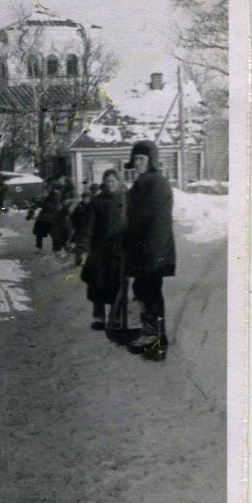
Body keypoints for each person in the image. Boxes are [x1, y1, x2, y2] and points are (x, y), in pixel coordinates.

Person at [123, 140, 176, 361]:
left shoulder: (157, 184)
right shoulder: (143, 182)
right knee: (144, 291)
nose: (137, 163)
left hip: (153, 252)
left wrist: (151, 255)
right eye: (135, 159)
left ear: (151, 160)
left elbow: (158, 222)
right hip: (143, 251)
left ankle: (155, 342)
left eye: (142, 159)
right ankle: (151, 335)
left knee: (150, 293)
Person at [79, 170, 126, 330]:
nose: (110, 183)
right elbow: (88, 225)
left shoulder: (126, 200)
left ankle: (116, 316)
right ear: (104, 182)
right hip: (99, 250)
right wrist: (85, 245)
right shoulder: (96, 201)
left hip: (119, 249)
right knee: (97, 283)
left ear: (118, 181)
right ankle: (98, 317)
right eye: (107, 180)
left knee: (118, 284)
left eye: (113, 180)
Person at [70, 189, 94, 267]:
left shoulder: (90, 206)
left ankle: (83, 261)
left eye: (89, 198)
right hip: (81, 229)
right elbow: (74, 217)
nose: (87, 199)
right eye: (86, 198)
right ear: (83, 198)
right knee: (80, 246)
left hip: (85, 229)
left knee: (84, 246)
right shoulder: (80, 207)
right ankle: (79, 261)